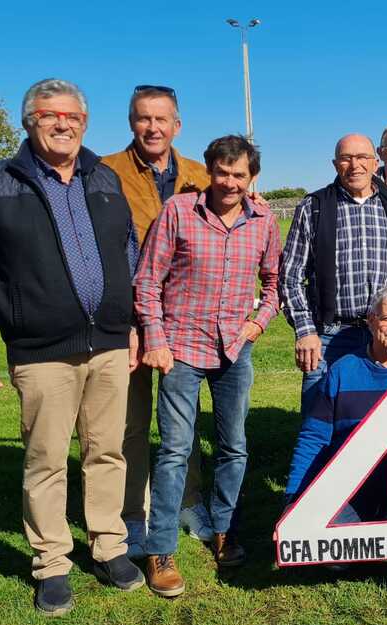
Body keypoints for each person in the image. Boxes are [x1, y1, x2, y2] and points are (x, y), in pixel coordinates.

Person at [0, 78, 143, 616]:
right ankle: (52, 563)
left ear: (85, 122)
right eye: (51, 116)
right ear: (29, 122)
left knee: (108, 451)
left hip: (107, 345)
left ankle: (108, 546)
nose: (63, 124)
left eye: (73, 117)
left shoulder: (104, 178)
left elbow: (127, 255)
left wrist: (128, 324)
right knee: (46, 460)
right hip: (41, 351)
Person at [134, 135, 282, 597]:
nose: (231, 182)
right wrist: (156, 341)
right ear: (209, 171)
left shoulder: (264, 221)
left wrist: (257, 325)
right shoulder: (179, 212)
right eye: (223, 172)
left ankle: (224, 529)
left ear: (251, 177)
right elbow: (146, 281)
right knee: (176, 450)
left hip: (234, 352)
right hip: (180, 349)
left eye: (240, 174)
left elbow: (274, 284)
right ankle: (160, 549)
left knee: (234, 446)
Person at [101, 84, 214, 553]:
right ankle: (130, 514)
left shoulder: (201, 174)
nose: (153, 127)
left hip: (183, 321)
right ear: (132, 122)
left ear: (177, 125)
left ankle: (188, 501)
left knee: (181, 421)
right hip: (125, 318)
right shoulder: (105, 172)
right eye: (144, 118)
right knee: (127, 423)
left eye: (161, 119)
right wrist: (124, 319)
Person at [280, 134, 387, 416]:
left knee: (381, 416)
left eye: (362, 158)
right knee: (320, 416)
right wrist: (306, 331)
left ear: (374, 162)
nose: (354, 165)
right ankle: (317, 463)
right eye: (346, 158)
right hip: (331, 333)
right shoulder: (314, 207)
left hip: (383, 333)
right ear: (335, 164)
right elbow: (291, 276)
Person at [283, 285, 387, 518]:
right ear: (371, 320)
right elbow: (314, 438)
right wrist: (293, 500)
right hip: (350, 480)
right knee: (331, 537)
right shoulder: (342, 369)